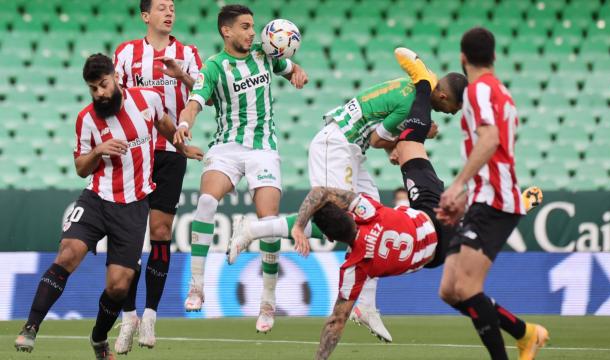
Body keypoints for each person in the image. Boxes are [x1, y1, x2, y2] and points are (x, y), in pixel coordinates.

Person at [227, 67, 467, 340]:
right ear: (444, 96)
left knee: (374, 218)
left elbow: (378, 131)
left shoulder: (408, 88)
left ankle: (365, 306)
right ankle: (251, 229)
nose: (454, 113)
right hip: (337, 144)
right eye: (455, 107)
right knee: (336, 218)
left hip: (351, 148)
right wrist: (410, 138)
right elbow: (378, 139)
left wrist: (395, 146)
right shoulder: (412, 102)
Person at [13, 54, 202, 359]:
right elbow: (80, 168)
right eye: (93, 88)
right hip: (97, 200)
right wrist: (99, 150)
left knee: (118, 286)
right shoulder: (87, 119)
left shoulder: (148, 100)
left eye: (103, 84)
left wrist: (182, 147)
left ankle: (99, 339)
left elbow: (166, 126)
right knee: (68, 253)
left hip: (133, 208)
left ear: (115, 77)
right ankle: (31, 326)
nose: (99, 93)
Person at [173, 4, 308, 333]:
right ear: (226, 31)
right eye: (245, 27)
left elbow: (288, 65)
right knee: (206, 201)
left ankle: (267, 300)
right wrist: (183, 122)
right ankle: (198, 285)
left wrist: (296, 73)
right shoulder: (214, 68)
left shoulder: (266, 53)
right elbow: (195, 102)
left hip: (263, 148)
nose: (252, 32)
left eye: (253, 27)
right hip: (227, 146)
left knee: (269, 222)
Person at [435, 28, 549, 360]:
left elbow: (490, 141)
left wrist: (456, 187)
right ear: (494, 57)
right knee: (450, 291)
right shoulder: (501, 92)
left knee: (467, 288)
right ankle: (525, 332)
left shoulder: (477, 92)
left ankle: (514, 348)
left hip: (496, 199)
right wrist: (466, 196)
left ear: (462, 58)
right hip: (486, 196)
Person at [112, 0, 204, 353]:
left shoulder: (188, 52)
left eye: (173, 8)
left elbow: (203, 90)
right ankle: (128, 317)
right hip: (135, 152)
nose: (169, 13)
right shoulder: (126, 53)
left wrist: (180, 73)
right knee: (131, 237)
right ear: (145, 16)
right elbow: (113, 95)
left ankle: (150, 315)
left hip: (169, 152)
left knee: (161, 231)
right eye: (162, 7)